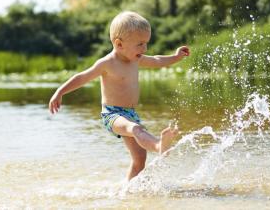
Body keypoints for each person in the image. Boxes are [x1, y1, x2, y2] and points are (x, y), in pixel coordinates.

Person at [49, 11, 190, 180]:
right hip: (112, 114)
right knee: (136, 129)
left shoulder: (136, 59)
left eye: (146, 43)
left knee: (139, 158)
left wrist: (175, 57)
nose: (144, 49)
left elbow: (157, 60)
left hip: (131, 114)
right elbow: (81, 77)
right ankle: (159, 145)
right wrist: (60, 92)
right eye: (140, 44)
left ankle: (127, 192)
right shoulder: (107, 63)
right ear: (119, 44)